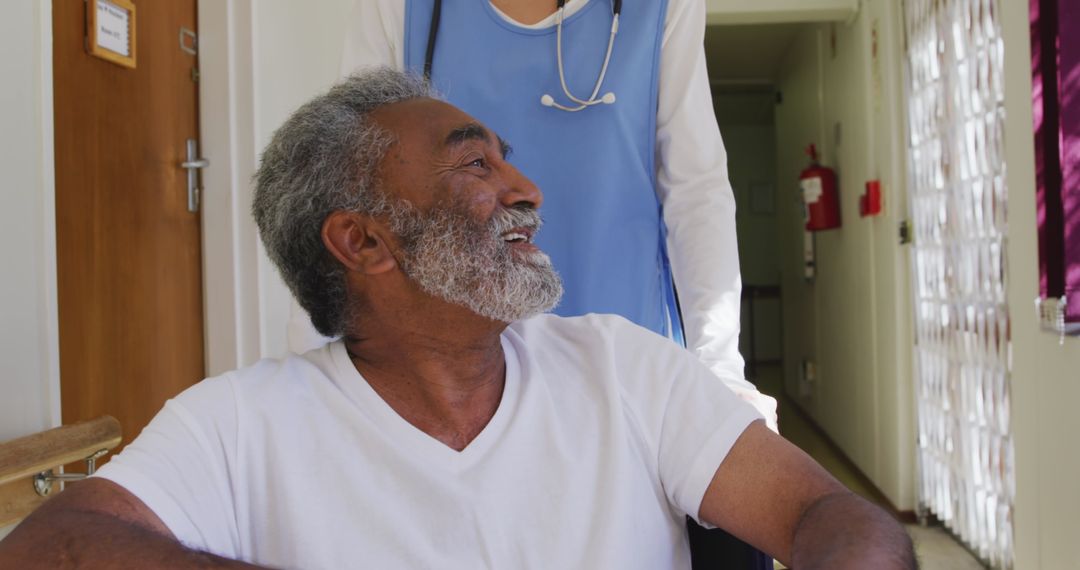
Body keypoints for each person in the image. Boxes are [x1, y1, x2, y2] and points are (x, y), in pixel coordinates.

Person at [0, 70, 913, 570]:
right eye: (475, 167)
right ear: (362, 242)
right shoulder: (239, 424)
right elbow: (45, 548)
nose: (527, 191)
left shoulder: (623, 369)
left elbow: (829, 514)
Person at [288, 0, 778, 423]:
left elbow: (696, 190)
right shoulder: (406, 8)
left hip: (628, 340)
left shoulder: (658, 9)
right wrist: (320, 366)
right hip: (449, 356)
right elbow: (347, 179)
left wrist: (719, 370)